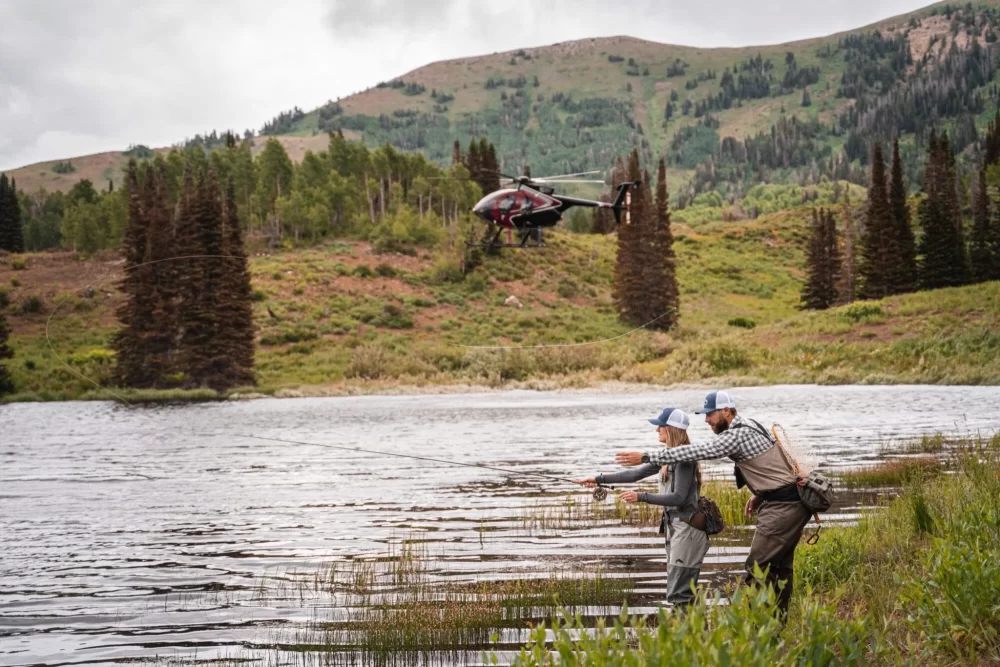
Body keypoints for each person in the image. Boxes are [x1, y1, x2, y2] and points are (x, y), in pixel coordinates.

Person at [615, 390, 811, 620]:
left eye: (710, 414)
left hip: (783, 506)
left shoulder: (737, 434)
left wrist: (648, 456)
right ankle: (778, 623)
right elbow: (775, 465)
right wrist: (761, 494)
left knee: (757, 567)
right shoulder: (753, 425)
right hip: (785, 500)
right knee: (779, 566)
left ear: (726, 411)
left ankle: (761, 628)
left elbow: (702, 450)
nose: (706, 419)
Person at [576, 407, 708, 609]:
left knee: (679, 594)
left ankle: (688, 637)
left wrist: (641, 497)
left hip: (687, 530)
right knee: (679, 591)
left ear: (671, 429)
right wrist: (597, 479)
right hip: (675, 529)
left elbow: (679, 497)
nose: (657, 431)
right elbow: (633, 475)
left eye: (660, 427)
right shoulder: (666, 456)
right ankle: (690, 636)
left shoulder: (683, 459)